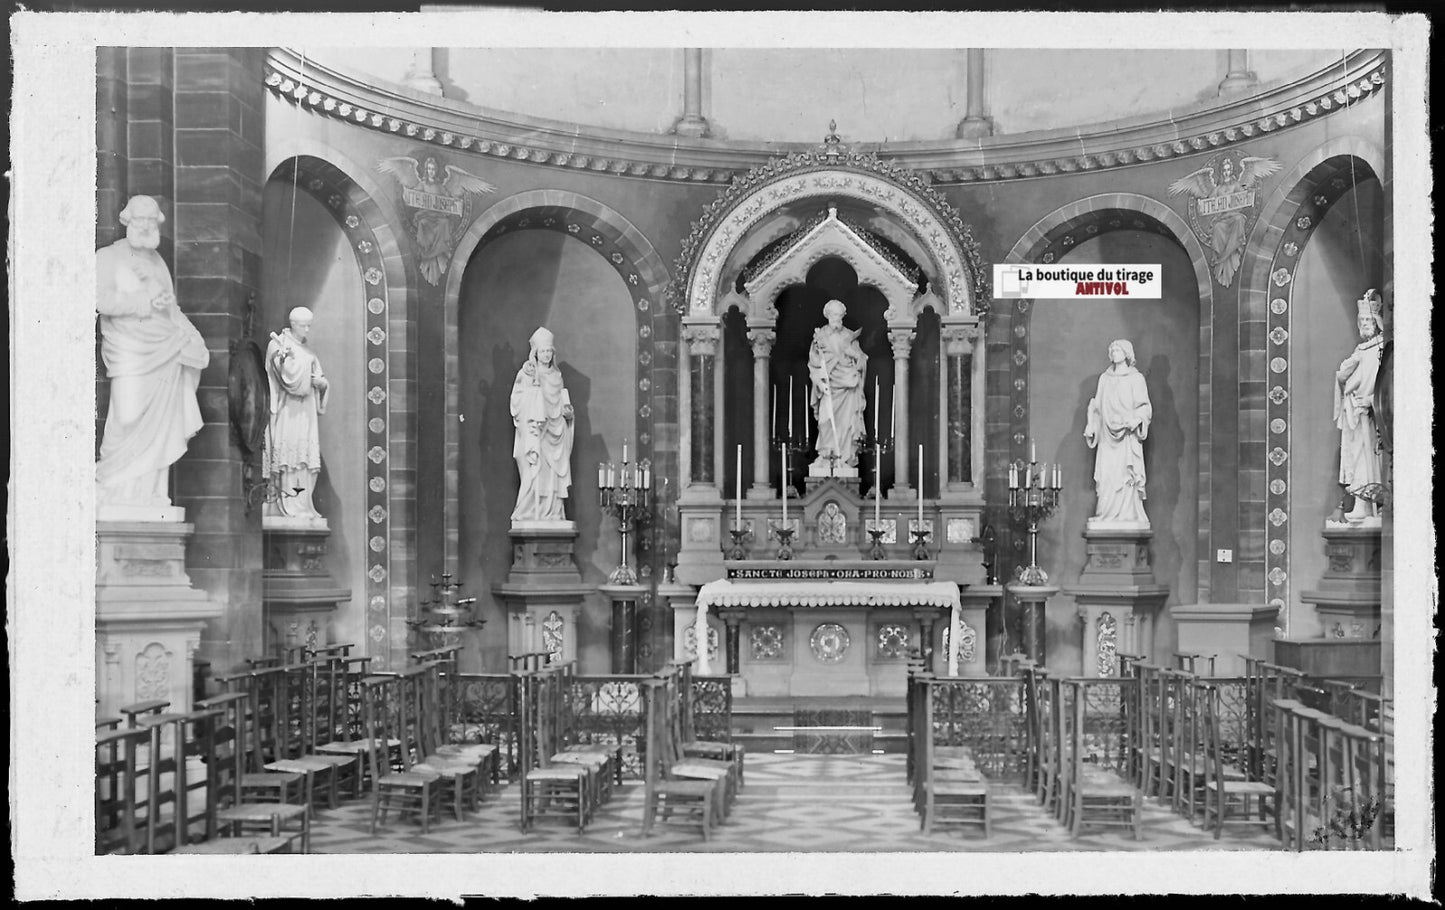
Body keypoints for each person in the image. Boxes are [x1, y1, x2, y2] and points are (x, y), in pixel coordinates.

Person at [95, 195, 210, 510]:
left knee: (160, 425)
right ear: (127, 220)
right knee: (126, 419)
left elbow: (170, 310)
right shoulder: (108, 257)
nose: (145, 225)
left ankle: (149, 495)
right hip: (130, 354)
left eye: (151, 219)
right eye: (139, 219)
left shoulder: (159, 263)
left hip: (165, 351)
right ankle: (113, 487)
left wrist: (192, 334)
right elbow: (101, 300)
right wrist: (142, 302)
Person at [263, 307, 329, 520]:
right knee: (291, 458)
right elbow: (288, 379)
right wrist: (302, 373)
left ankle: (304, 504)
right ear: (292, 323)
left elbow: (318, 377)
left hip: (306, 410)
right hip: (288, 410)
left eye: (309, 325)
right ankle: (291, 504)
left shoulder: (306, 351)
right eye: (303, 325)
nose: (307, 329)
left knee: (306, 460)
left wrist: (322, 384)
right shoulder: (278, 344)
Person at [1083, 338, 1152, 526]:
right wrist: (1091, 426)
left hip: (1127, 439)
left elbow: (1145, 407)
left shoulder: (1136, 379)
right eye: (1111, 349)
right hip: (1107, 438)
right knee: (1106, 477)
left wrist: (1136, 420)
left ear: (1127, 353)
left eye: (1118, 349)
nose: (1114, 352)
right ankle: (1106, 514)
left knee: (1126, 477)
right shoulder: (1104, 379)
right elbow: (1096, 407)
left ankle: (1129, 515)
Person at [510, 327, 575, 522]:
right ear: (535, 353)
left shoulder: (557, 376)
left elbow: (561, 402)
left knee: (552, 477)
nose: (546, 354)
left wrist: (568, 416)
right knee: (534, 474)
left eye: (549, 351)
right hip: (536, 432)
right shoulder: (528, 373)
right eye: (543, 351)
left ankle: (553, 512)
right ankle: (528, 511)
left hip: (556, 432)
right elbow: (516, 402)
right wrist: (533, 396)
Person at [1334, 289, 1386, 524]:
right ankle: (1361, 504)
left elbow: (1386, 382)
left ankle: (1368, 503)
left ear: (1376, 322)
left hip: (1374, 416)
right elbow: (1345, 376)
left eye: (1368, 320)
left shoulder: (1381, 348)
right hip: (1356, 413)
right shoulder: (1361, 350)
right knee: (1356, 456)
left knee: (1369, 459)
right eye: (1362, 320)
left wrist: (1373, 401)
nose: (1364, 324)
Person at [807, 300, 867, 473]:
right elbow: (814, 364)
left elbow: (862, 361)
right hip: (828, 388)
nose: (838, 318)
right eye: (834, 315)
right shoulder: (820, 337)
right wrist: (819, 381)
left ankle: (844, 458)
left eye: (840, 315)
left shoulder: (849, 336)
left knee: (847, 425)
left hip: (848, 387)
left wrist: (853, 354)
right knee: (825, 422)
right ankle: (827, 456)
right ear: (827, 315)